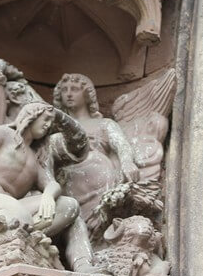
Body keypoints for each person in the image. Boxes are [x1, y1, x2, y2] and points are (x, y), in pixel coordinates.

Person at [0, 102, 96, 272]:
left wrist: (48, 196)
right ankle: (6, 232)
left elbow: (51, 184)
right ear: (31, 115)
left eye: (50, 122)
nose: (48, 124)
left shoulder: (35, 159)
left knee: (68, 206)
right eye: (45, 118)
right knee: (17, 212)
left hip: (13, 209)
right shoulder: (3, 134)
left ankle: (18, 235)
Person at [51, 73, 139, 221]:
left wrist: (127, 162)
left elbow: (121, 144)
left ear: (87, 94)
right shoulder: (55, 129)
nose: (68, 94)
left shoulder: (104, 124)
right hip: (66, 177)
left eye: (74, 89)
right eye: (64, 90)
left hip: (98, 174)